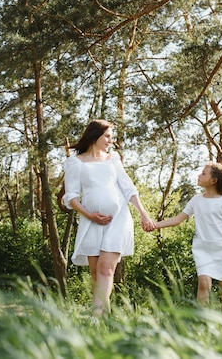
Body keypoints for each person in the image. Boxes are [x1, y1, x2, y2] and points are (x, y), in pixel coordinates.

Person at [62, 119, 155, 315]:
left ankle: (95, 317)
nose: (110, 141)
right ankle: (105, 317)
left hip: (118, 219)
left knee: (106, 269)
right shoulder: (74, 162)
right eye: (107, 136)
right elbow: (70, 196)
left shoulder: (113, 159)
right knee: (96, 274)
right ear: (95, 135)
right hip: (91, 221)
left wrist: (143, 215)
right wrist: (89, 215)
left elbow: (128, 187)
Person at [149, 162, 222, 320]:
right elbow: (178, 219)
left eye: (204, 173)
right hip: (202, 250)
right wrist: (155, 225)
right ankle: (200, 323)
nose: (199, 175)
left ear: (214, 180)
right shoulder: (196, 200)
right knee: (203, 283)